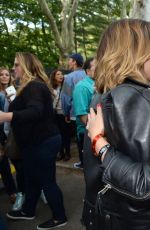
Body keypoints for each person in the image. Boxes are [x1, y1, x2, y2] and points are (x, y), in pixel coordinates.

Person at [85, 19, 150, 230]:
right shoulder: (132, 97)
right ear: (135, 54)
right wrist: (100, 144)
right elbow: (144, 184)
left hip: (112, 216)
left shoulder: (103, 95)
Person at [0, 52, 67, 230]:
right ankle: (28, 211)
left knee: (47, 181)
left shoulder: (34, 86)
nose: (13, 68)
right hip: (33, 143)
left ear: (26, 66)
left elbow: (35, 111)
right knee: (31, 179)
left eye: (16, 65)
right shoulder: (28, 86)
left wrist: (5, 116)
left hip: (43, 141)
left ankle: (60, 217)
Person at [73, 58, 95, 168]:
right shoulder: (82, 87)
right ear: (88, 71)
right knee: (90, 168)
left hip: (97, 134)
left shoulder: (98, 84)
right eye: (97, 67)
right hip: (87, 134)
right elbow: (83, 116)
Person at [0, 67, 17, 204]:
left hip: (11, 131)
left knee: (15, 159)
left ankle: (16, 190)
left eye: (7, 75)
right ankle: (12, 191)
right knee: (3, 162)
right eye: (1, 75)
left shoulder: (13, 92)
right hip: (0, 131)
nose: (5, 77)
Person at [50, 69, 71, 161]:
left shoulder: (66, 86)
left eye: (62, 74)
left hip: (64, 114)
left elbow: (70, 100)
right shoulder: (51, 88)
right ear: (54, 76)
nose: (61, 75)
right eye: (58, 74)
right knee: (58, 134)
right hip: (54, 114)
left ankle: (67, 153)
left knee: (66, 135)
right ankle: (60, 152)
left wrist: (68, 114)